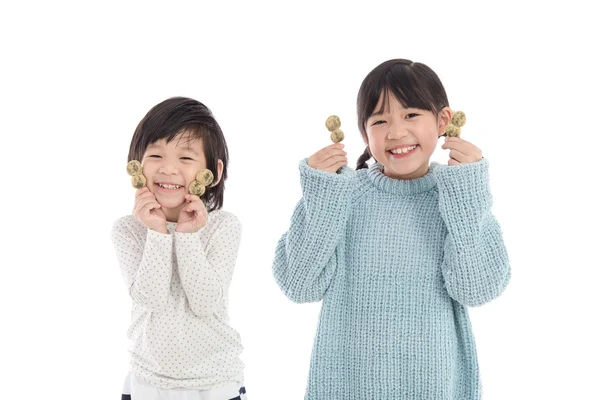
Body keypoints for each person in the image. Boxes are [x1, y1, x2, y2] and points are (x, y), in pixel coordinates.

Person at [273, 59, 510, 399]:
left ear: (443, 120)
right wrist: (321, 194)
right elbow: (299, 285)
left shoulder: (458, 194)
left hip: (434, 386)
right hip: (346, 387)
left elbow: (477, 289)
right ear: (364, 135)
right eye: (380, 120)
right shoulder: (344, 194)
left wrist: (468, 193)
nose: (396, 132)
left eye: (411, 115)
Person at [112, 97, 247, 400]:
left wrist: (186, 235)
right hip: (148, 383)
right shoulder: (128, 230)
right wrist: (157, 233)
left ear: (213, 171)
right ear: (136, 164)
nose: (169, 169)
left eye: (186, 159)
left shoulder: (223, 226)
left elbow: (206, 302)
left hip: (215, 383)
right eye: (156, 155)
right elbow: (150, 297)